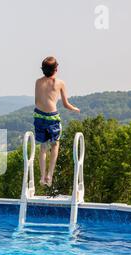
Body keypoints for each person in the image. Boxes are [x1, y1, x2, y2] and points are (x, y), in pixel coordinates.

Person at [34, 56, 80, 187]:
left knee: (43, 147)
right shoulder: (59, 83)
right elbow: (66, 104)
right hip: (52, 117)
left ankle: (42, 177)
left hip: (38, 116)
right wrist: (75, 109)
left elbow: (37, 101)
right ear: (56, 69)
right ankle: (50, 175)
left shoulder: (38, 82)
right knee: (55, 145)